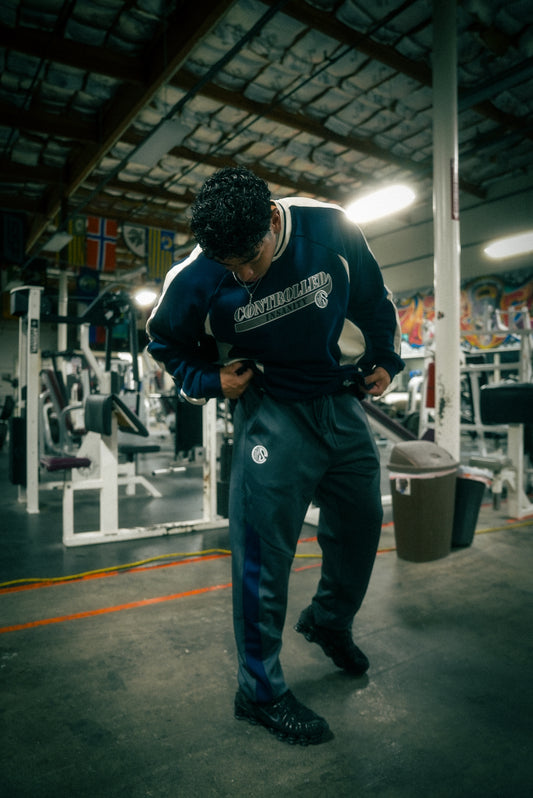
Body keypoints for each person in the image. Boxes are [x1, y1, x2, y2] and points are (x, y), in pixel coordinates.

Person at [146, 166, 404, 746]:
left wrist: (387, 356)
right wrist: (210, 379)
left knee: (362, 524)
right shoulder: (197, 274)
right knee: (263, 555)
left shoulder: (329, 228)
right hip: (271, 410)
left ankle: (328, 621)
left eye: (250, 261)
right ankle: (258, 693)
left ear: (271, 220)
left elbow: (371, 294)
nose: (241, 274)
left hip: (340, 400)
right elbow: (163, 341)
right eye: (230, 266)